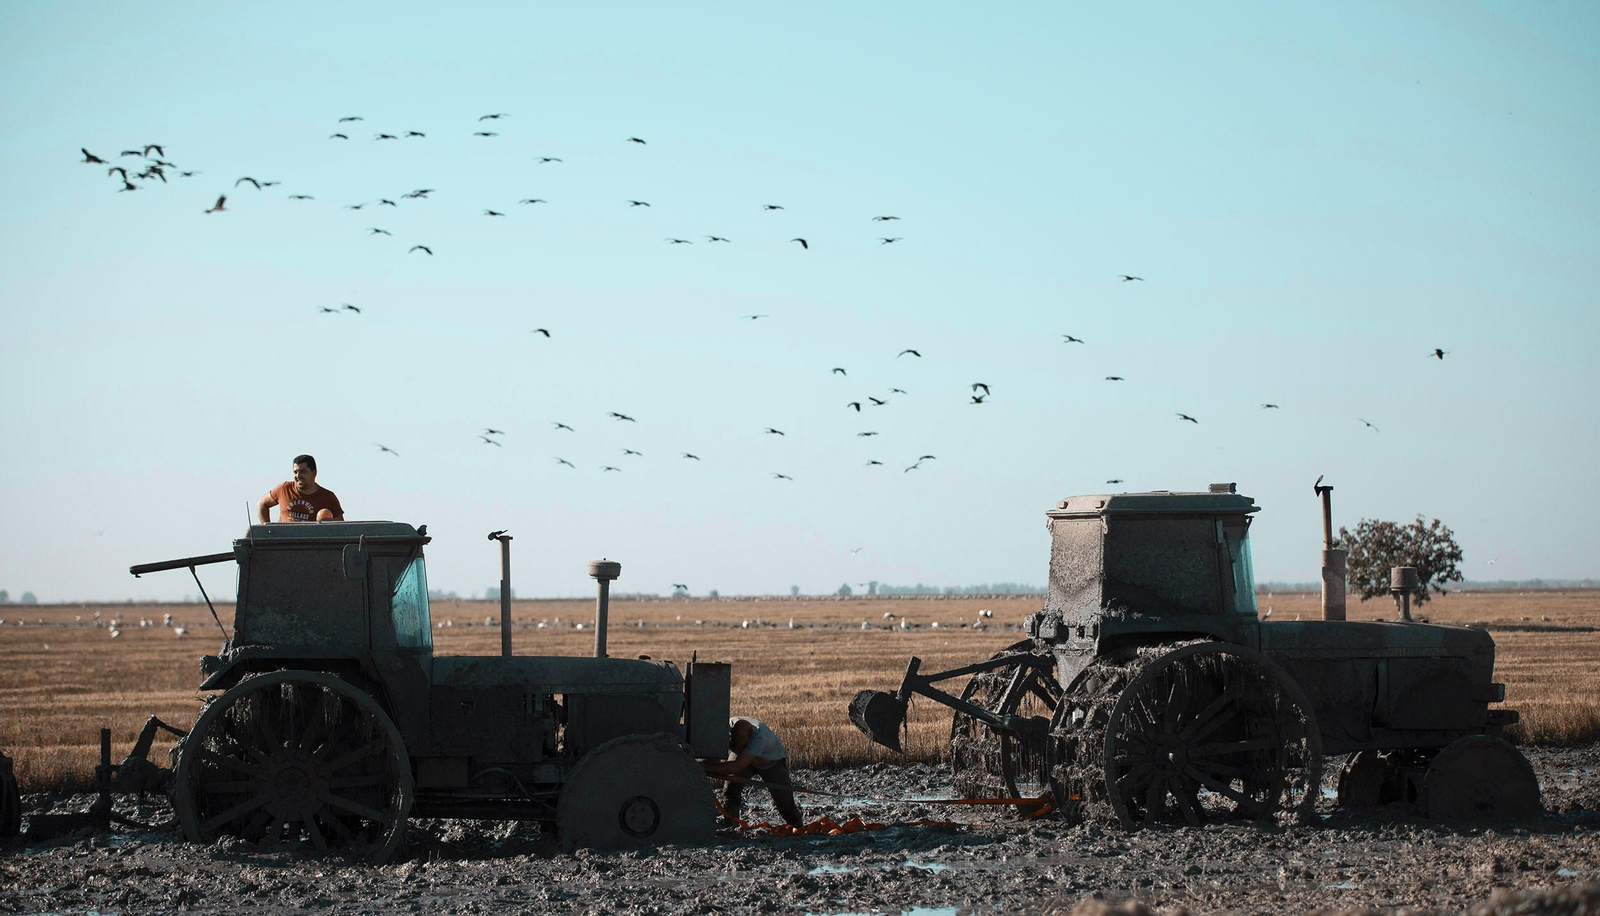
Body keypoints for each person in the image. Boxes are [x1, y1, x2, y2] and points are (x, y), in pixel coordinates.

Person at [703, 716, 804, 828]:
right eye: (735, 744)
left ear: (750, 739)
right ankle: (731, 827)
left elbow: (737, 767)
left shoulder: (760, 737)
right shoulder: (727, 728)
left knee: (784, 799)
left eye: (741, 745)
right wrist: (703, 765)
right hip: (742, 756)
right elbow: (715, 756)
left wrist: (703, 768)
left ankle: (797, 827)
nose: (736, 747)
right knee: (730, 791)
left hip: (771, 762)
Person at [257, 454, 344, 523]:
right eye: (295, 472)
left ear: (314, 473)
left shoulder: (328, 498)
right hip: (283, 543)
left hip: (311, 543)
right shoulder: (284, 489)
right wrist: (267, 531)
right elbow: (262, 504)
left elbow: (341, 529)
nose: (298, 476)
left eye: (302, 471)